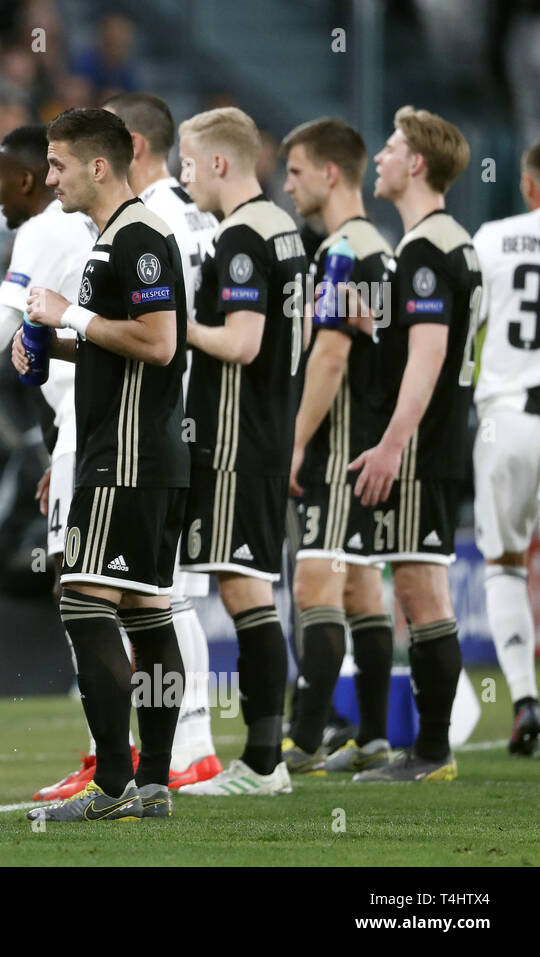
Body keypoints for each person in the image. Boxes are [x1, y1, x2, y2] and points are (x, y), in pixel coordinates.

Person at [11, 107, 188, 823]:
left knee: (83, 601)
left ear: (99, 165)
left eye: (57, 164)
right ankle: (150, 783)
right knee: (146, 612)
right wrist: (52, 343)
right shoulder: (112, 238)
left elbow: (160, 342)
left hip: (127, 455)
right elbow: (118, 344)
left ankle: (113, 782)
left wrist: (69, 314)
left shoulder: (140, 236)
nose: (48, 178)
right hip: (137, 452)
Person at [173, 107, 308, 798]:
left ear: (220, 163)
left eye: (189, 162)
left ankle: (262, 761)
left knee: (244, 589)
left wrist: (179, 324)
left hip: (231, 437)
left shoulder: (242, 237)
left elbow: (244, 343)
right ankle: (265, 756)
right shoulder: (285, 228)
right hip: (265, 431)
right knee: (249, 586)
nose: (182, 174)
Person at [348, 107, 481, 782]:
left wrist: (393, 445)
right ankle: (430, 748)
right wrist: (380, 327)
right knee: (420, 586)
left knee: (421, 590)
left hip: (425, 446)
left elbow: (429, 356)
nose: (381, 157)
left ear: (418, 165)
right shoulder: (455, 243)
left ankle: (432, 750)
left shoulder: (426, 249)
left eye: (393, 147)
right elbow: (428, 341)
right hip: (446, 439)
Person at [106, 91, 223, 787]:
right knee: (167, 593)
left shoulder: (155, 222)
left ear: (130, 145)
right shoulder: (200, 215)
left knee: (159, 595)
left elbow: (158, 334)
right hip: (200, 417)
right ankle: (192, 743)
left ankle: (194, 744)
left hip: (165, 420)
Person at [0, 123, 104, 802]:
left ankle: (113, 759)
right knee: (106, 593)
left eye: (2, 174)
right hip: (83, 422)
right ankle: (121, 753)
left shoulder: (41, 230)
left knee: (85, 593)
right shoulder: (80, 228)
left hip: (85, 423)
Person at [278, 117, 396, 775]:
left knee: (314, 585)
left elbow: (328, 354)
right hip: (373, 442)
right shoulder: (385, 247)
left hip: (338, 442)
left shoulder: (339, 253)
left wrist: (296, 443)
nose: (288, 184)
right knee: (359, 592)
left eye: (296, 171)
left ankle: (302, 739)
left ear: (330, 173)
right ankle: (374, 736)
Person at [472, 140, 540, 756]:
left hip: (507, 419)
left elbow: (466, 332)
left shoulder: (492, 237)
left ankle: (524, 700)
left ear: (529, 187)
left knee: (505, 564)